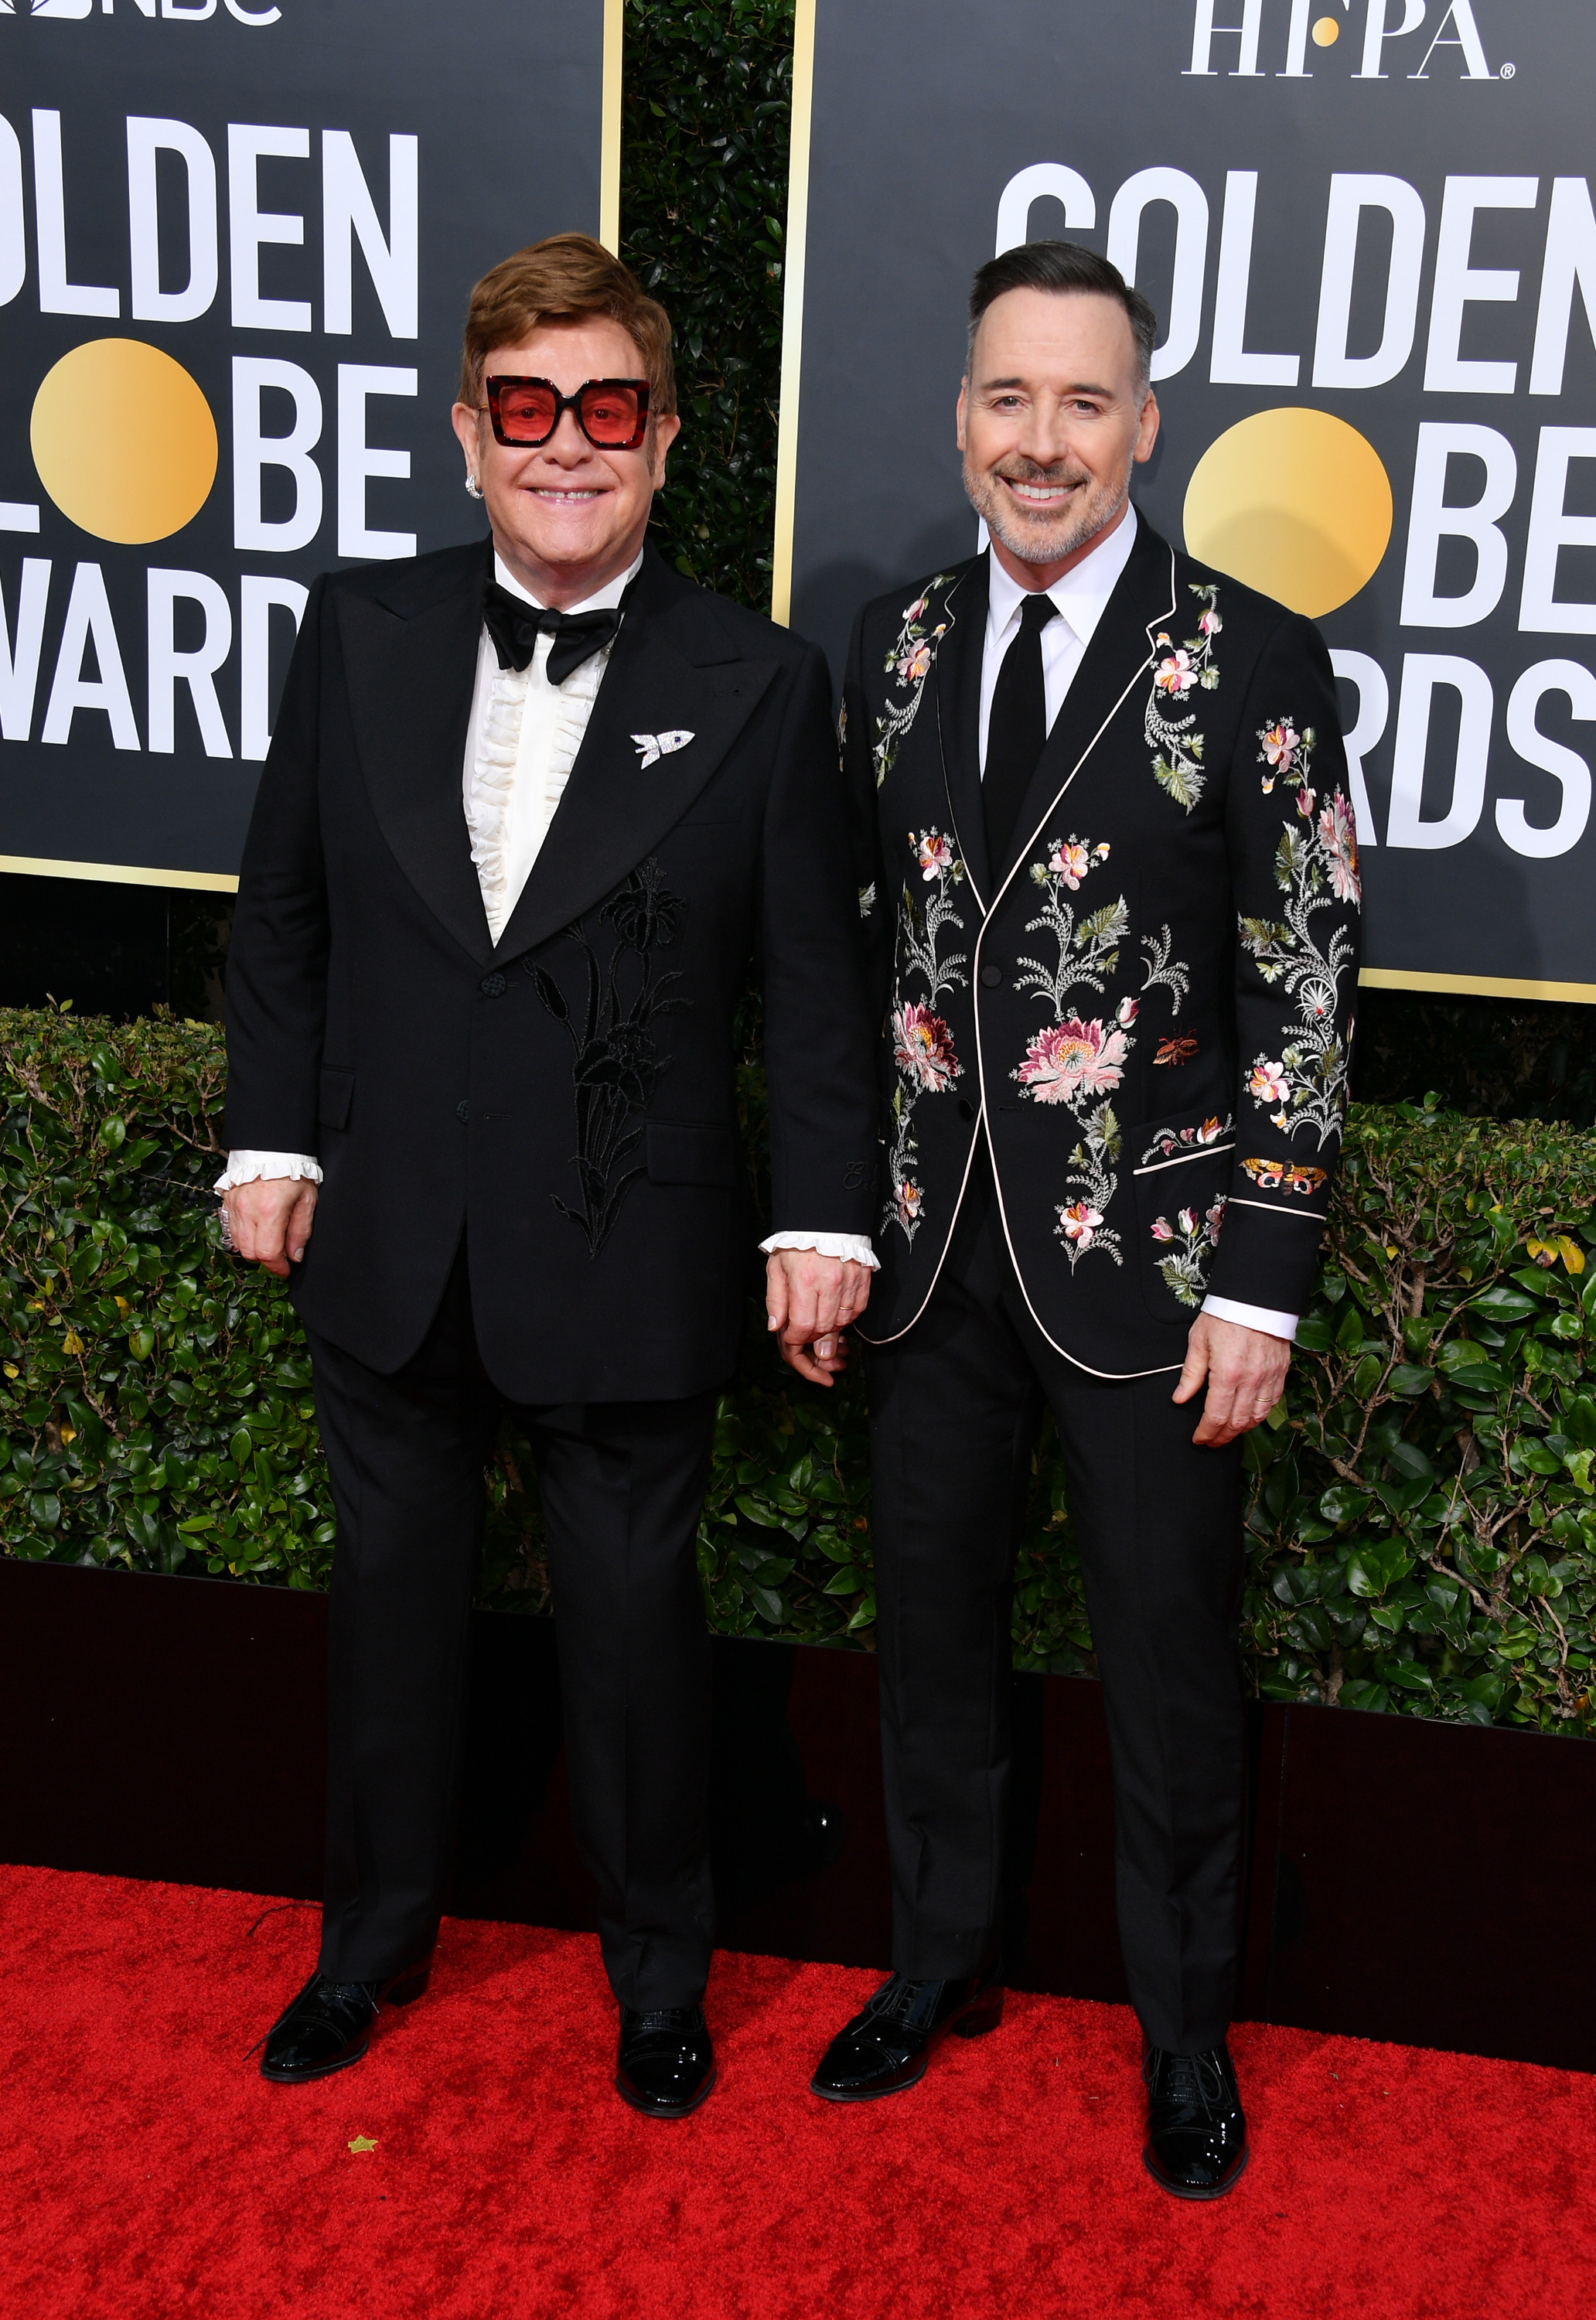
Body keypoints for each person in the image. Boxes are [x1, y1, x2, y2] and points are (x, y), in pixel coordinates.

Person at [218, 233, 878, 2118]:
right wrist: (270, 1132)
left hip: (628, 1248)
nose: (566, 446)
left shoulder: (759, 685)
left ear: (665, 441)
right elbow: (285, 916)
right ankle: (364, 1954)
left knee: (637, 1648)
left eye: (607, 410)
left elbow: (814, 993)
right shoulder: (358, 629)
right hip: (392, 1244)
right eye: (529, 410)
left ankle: (660, 1979)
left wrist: (817, 1213)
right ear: (468, 433)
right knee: (389, 1622)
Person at [814, 241, 1360, 2199]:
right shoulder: (885, 653)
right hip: (933, 1250)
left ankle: (1187, 2031)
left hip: (1159, 1268)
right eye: (1006, 399)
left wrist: (1269, 1284)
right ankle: (935, 1963)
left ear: (1145, 425)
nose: (1041, 443)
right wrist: (843, 1221)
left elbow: (1302, 979)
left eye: (1081, 402)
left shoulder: (1251, 659)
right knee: (933, 1644)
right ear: (963, 418)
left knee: (1169, 1661)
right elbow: (862, 957)